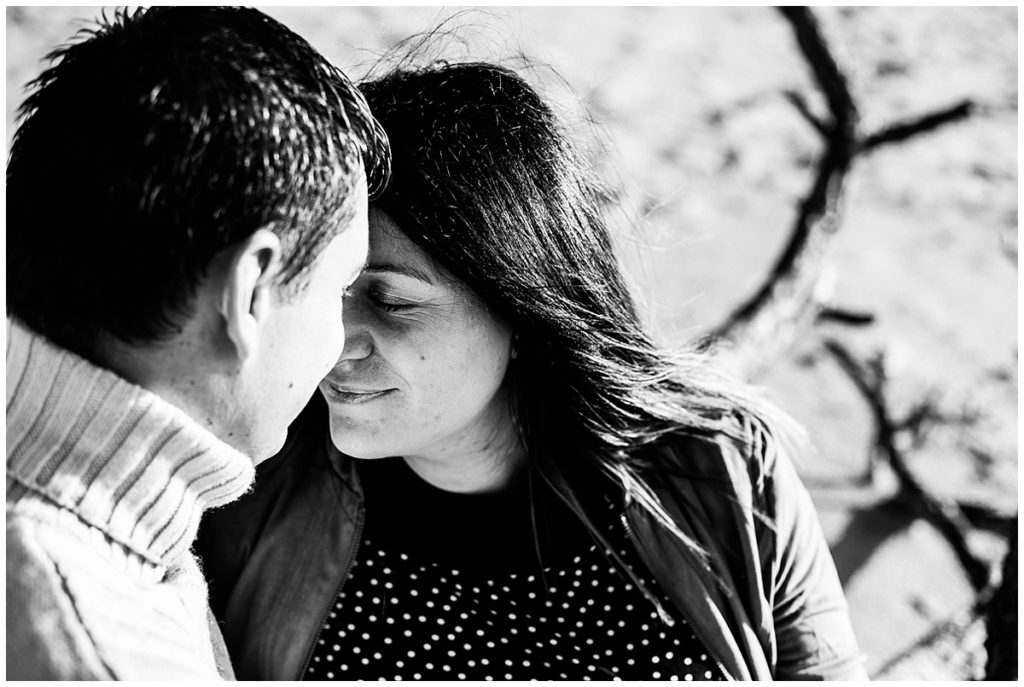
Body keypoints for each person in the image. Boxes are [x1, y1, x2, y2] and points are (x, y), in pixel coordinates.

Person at [197, 61, 866, 680]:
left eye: (392, 299)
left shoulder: (724, 474)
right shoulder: (244, 490)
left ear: (523, 309)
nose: (337, 342)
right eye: (326, 290)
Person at [6, 6, 388, 680]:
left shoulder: (122, 547)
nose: (342, 344)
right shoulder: (93, 651)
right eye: (342, 287)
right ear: (249, 293)